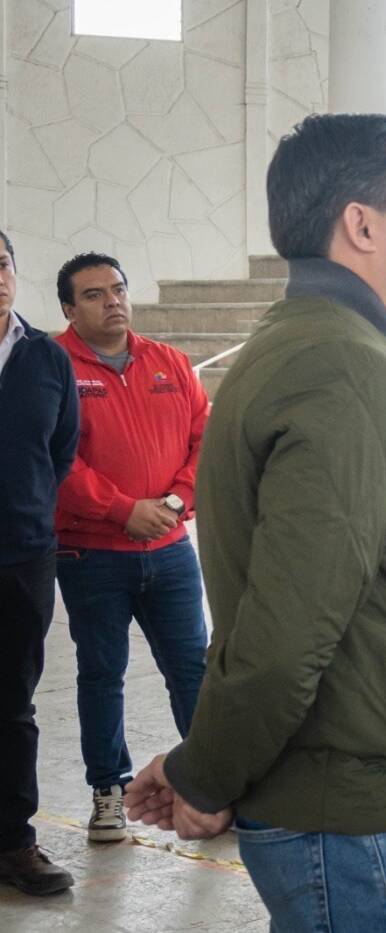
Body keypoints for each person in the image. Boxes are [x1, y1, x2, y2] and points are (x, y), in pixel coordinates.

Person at [124, 113, 386, 932]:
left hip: (371, 803)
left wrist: (205, 765)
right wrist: (205, 773)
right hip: (362, 820)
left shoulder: (329, 345)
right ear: (361, 224)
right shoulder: (338, 363)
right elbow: (287, 632)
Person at [51, 251, 209, 844]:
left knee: (193, 669)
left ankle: (205, 787)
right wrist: (123, 511)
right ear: (69, 308)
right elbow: (57, 458)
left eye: (117, 289)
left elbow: (203, 438)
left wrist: (171, 506)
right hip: (91, 553)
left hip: (169, 548)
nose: (112, 300)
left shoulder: (169, 360)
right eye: (93, 294)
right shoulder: (54, 366)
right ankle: (108, 793)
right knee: (101, 673)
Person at [0, 230, 80, 896]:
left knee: (13, 702)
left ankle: (14, 841)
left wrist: (25, 508)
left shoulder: (45, 359)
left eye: (1, 264)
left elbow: (60, 451)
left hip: (23, 555)